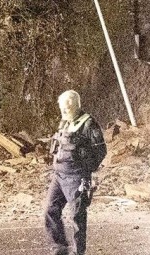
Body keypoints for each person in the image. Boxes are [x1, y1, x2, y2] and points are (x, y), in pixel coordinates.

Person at [43, 89, 107, 255]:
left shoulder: (89, 124)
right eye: (62, 108)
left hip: (76, 177)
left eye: (67, 108)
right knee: (50, 210)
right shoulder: (65, 122)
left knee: (77, 217)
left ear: (77, 106)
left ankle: (79, 252)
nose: (64, 111)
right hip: (59, 176)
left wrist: (86, 172)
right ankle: (60, 249)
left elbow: (101, 151)